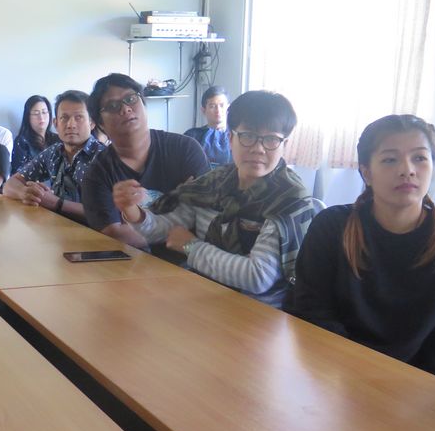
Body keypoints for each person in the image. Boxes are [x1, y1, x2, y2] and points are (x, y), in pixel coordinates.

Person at [292, 114, 435, 384]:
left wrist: (401, 390)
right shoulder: (331, 227)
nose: (407, 169)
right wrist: (348, 374)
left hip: (418, 390)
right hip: (334, 376)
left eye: (420, 158)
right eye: (390, 159)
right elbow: (310, 308)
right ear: (366, 172)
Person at [116, 90, 315, 307]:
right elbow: (166, 230)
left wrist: (191, 247)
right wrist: (133, 212)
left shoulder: (288, 199)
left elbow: (258, 277)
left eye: (271, 140)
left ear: (284, 145)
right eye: (248, 136)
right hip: (203, 295)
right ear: (230, 138)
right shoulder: (214, 184)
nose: (258, 149)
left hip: (257, 312)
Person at [81, 73, 208, 250]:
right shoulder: (97, 174)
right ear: (101, 124)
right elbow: (115, 235)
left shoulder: (185, 149)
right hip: (132, 262)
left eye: (131, 99)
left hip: (192, 259)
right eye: (113, 106)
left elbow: (203, 216)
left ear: (143, 103)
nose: (125, 109)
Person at [4, 90, 105, 223]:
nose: (71, 124)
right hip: (55, 228)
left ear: (92, 123)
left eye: (79, 117)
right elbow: (10, 184)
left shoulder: (104, 158)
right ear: (55, 123)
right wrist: (25, 193)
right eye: (64, 118)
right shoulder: (53, 152)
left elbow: (107, 214)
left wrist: (57, 203)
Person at [183, 86, 231, 168]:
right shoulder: (191, 136)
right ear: (203, 110)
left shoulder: (237, 136)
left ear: (228, 108)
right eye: (212, 106)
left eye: (222, 105)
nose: (218, 110)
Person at [11, 95, 59, 174]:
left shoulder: (58, 139)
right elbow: (18, 174)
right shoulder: (22, 142)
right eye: (36, 113)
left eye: (44, 112)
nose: (41, 117)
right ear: (28, 117)